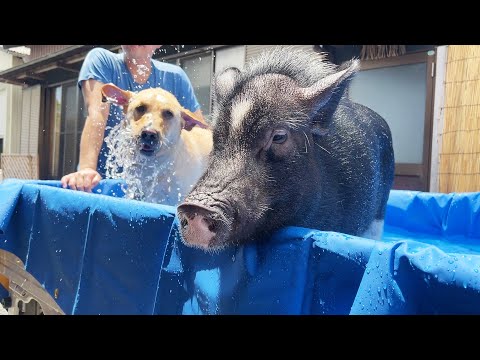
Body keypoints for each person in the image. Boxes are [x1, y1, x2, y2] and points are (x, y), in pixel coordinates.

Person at [60, 45, 204, 192]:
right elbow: (97, 115)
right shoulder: (103, 61)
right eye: (140, 109)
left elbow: (200, 132)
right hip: (103, 185)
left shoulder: (175, 77)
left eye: (167, 114)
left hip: (163, 188)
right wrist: (87, 169)